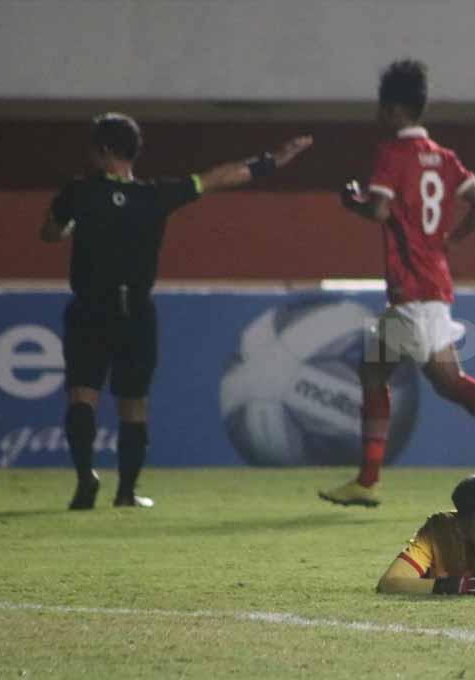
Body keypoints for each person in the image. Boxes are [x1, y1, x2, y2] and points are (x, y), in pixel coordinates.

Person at [41, 112, 312, 510]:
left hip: (89, 308)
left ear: (103, 150)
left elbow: (49, 233)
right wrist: (272, 160)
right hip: (135, 311)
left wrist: (68, 227)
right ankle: (126, 492)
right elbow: (218, 177)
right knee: (133, 403)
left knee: (82, 395)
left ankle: (86, 478)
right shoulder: (156, 195)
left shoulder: (78, 192)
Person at [318, 60, 475, 508]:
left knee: (442, 381)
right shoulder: (444, 158)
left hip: (413, 288)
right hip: (432, 283)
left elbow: (380, 211)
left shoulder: (392, 154)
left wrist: (352, 202)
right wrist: (451, 239)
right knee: (384, 371)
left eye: (381, 108)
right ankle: (368, 480)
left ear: (393, 110)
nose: (378, 115)